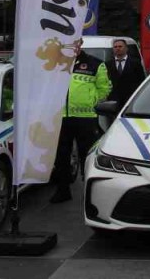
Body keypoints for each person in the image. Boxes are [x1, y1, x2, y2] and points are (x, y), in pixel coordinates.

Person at [50, 38, 111, 204]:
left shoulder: (95, 64)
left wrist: (91, 103)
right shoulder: (55, 64)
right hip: (61, 117)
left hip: (86, 118)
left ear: (79, 45)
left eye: (74, 44)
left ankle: (89, 192)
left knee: (87, 156)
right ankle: (63, 190)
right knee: (61, 156)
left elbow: (104, 89)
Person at [104, 39, 145, 110]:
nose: (118, 48)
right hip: (113, 101)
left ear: (126, 48)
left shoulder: (135, 63)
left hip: (130, 99)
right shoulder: (107, 64)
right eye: (115, 47)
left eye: (120, 46)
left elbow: (141, 81)